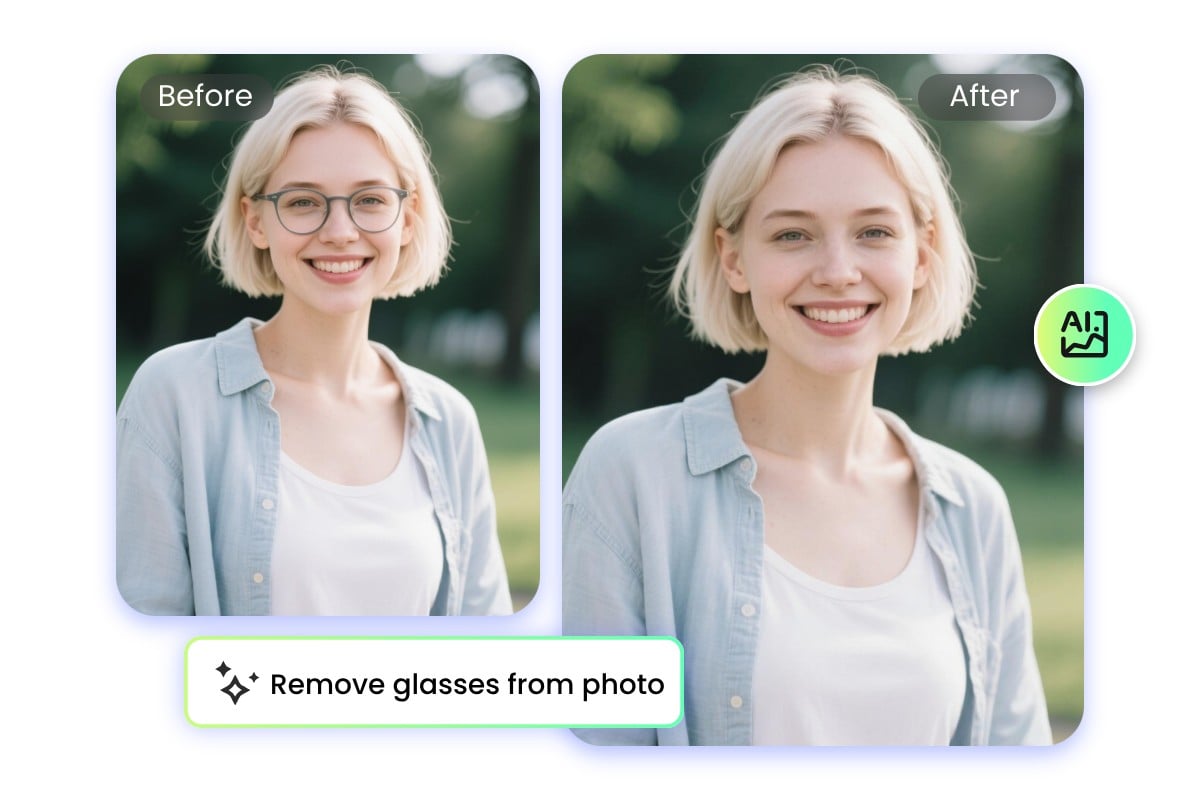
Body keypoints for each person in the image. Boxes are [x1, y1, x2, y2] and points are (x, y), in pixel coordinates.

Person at [562, 67, 1051, 745]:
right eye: (793, 235)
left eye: (875, 232)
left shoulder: (975, 507)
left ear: (922, 256)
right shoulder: (632, 474)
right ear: (733, 259)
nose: (838, 270)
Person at [117, 67, 512, 616]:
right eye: (303, 202)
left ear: (408, 219)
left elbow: (484, 653)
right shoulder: (174, 395)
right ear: (256, 221)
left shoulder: (451, 420)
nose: (340, 231)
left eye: (370, 199)